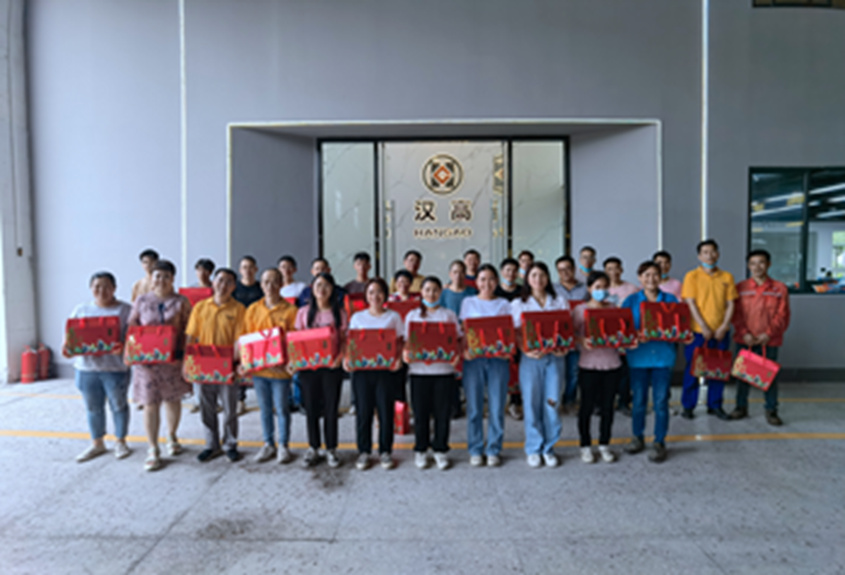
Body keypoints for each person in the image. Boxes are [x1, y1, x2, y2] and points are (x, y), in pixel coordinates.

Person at [127, 260, 192, 471]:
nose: (161, 280)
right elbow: (132, 327)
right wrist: (130, 352)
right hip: (147, 363)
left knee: (173, 400)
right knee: (150, 403)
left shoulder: (181, 302)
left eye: (166, 276)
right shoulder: (141, 301)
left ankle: (171, 436)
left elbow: (189, 331)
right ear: (151, 278)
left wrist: (185, 356)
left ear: (172, 279)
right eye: (157, 276)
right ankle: (153, 448)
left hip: (173, 361)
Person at [64, 272, 133, 463]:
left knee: (118, 406)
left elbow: (134, 338)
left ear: (114, 288)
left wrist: (124, 347)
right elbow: (70, 336)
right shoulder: (81, 309)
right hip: (86, 369)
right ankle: (97, 443)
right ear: (90, 288)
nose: (101, 290)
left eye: (106, 286)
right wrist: (68, 348)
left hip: (115, 369)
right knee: (93, 408)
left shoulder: (125, 310)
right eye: (97, 286)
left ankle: (120, 441)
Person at [622, 261, 686, 463]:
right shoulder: (631, 301)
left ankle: (659, 441)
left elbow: (679, 327)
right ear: (639, 278)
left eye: (655, 274)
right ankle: (637, 437)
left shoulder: (671, 300)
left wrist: (679, 334)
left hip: (663, 357)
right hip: (638, 359)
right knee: (639, 401)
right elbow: (622, 330)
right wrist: (635, 336)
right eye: (646, 275)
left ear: (661, 276)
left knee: (660, 402)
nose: (651, 279)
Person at [510, 262, 569, 468]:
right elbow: (515, 332)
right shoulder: (519, 303)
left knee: (552, 403)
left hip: (555, 358)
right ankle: (534, 448)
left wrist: (564, 347)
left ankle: (549, 448)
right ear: (527, 279)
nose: (538, 279)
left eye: (542, 275)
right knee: (531, 404)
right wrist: (524, 349)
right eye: (533, 275)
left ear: (548, 278)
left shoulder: (559, 301)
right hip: (531, 359)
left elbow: (566, 329)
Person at [236, 268, 298, 464]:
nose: (269, 286)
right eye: (265, 282)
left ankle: (284, 446)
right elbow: (246, 340)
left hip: (281, 372)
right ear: (261, 285)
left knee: (282, 409)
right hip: (260, 371)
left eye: (274, 281)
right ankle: (268, 444)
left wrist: (290, 363)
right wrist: (244, 363)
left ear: (280, 284)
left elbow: (294, 341)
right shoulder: (253, 310)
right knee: (264, 409)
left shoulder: (291, 311)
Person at [185, 268, 246, 463]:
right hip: (202, 365)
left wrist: (233, 364)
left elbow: (239, 340)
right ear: (213, 283)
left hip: (227, 366)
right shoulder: (200, 307)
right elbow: (191, 337)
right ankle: (211, 445)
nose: (223, 285)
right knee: (206, 407)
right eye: (220, 280)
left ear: (234, 287)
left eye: (228, 282)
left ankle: (230, 445)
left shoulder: (239, 309)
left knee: (229, 409)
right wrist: (188, 363)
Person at [346, 278, 404, 471]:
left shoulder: (393, 317)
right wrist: (348, 359)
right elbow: (351, 343)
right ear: (366, 295)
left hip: (385, 372)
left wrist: (398, 359)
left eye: (379, 292)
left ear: (385, 295)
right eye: (371, 292)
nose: (375, 296)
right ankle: (364, 451)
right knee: (363, 412)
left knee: (386, 412)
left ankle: (385, 451)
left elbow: (401, 342)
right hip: (362, 372)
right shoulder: (357, 318)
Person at [403, 276, 461, 471]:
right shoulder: (412, 316)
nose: (431, 294)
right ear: (421, 292)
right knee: (421, 414)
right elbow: (407, 342)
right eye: (427, 290)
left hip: (443, 372)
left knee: (442, 414)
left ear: (440, 293)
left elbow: (457, 340)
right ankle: (420, 449)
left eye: (435, 290)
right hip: (419, 372)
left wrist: (456, 355)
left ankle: (440, 450)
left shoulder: (448, 315)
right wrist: (406, 353)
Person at [292, 272, 348, 468]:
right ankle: (313, 447)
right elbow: (296, 341)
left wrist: (340, 358)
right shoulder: (303, 313)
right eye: (318, 285)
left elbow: (345, 341)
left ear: (332, 289)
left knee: (331, 409)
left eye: (326, 285)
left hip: (332, 368)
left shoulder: (339, 313)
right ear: (312, 290)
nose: (322, 289)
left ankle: (331, 449)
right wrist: (296, 362)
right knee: (311, 408)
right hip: (309, 369)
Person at [459, 264, 512, 467]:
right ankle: (475, 449)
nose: (486, 283)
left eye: (491, 279)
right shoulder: (468, 302)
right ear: (476, 282)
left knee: (497, 407)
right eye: (482, 279)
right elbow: (464, 331)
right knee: (474, 407)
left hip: (499, 360)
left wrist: (508, 349)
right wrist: (464, 351)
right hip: (474, 360)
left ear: (496, 282)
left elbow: (508, 332)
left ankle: (493, 449)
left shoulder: (504, 304)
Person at [730, 249, 790, 426]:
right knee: (742, 376)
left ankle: (771, 410)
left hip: (769, 341)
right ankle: (741, 407)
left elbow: (782, 315)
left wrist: (768, 334)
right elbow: (736, 314)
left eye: (761, 262)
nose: (757, 267)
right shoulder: (740, 288)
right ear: (748, 266)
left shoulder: (779, 288)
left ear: (769, 264)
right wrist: (744, 333)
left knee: (769, 377)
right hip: (745, 340)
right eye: (753, 263)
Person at [681, 239, 738, 420]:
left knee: (718, 371)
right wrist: (703, 326)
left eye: (713, 251)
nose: (709, 255)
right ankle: (688, 406)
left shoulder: (727, 277)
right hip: (698, 332)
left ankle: (715, 405)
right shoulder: (692, 276)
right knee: (693, 369)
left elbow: (731, 304)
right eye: (705, 252)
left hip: (721, 332)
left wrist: (724, 326)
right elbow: (691, 303)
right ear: (699, 256)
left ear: (718, 254)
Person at [573, 271, 622, 464]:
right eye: (597, 287)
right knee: (586, 407)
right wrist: (581, 340)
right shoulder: (580, 310)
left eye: (605, 287)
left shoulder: (614, 309)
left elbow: (621, 332)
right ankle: (585, 445)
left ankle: (604, 444)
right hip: (588, 364)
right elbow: (570, 335)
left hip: (612, 364)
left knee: (608, 407)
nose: (601, 291)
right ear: (589, 288)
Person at [603, 256, 639, 415]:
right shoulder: (600, 290)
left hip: (626, 336)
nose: (613, 272)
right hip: (606, 337)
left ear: (621, 269)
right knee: (608, 372)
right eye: (609, 269)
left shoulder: (632, 289)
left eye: (616, 268)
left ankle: (624, 402)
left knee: (625, 372)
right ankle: (606, 402)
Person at [554, 255, 589, 412]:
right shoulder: (552, 289)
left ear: (574, 269)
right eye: (561, 270)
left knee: (573, 372)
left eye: (568, 268)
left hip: (577, 336)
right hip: (558, 337)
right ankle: (555, 401)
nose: (565, 272)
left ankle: (569, 400)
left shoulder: (585, 289)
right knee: (556, 373)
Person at [233, 255, 263, 414]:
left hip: (257, 331)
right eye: (244, 267)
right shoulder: (234, 288)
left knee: (259, 365)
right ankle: (240, 399)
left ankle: (263, 398)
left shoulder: (261, 288)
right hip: (239, 331)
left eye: (251, 267)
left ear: (256, 269)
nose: (248, 270)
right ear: (240, 270)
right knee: (240, 364)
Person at [495, 257, 523, 420]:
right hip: (498, 336)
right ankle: (498, 403)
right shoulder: (495, 290)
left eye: (514, 271)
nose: (511, 274)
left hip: (518, 335)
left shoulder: (523, 291)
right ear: (501, 272)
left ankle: (515, 403)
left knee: (516, 369)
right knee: (500, 369)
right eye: (507, 270)